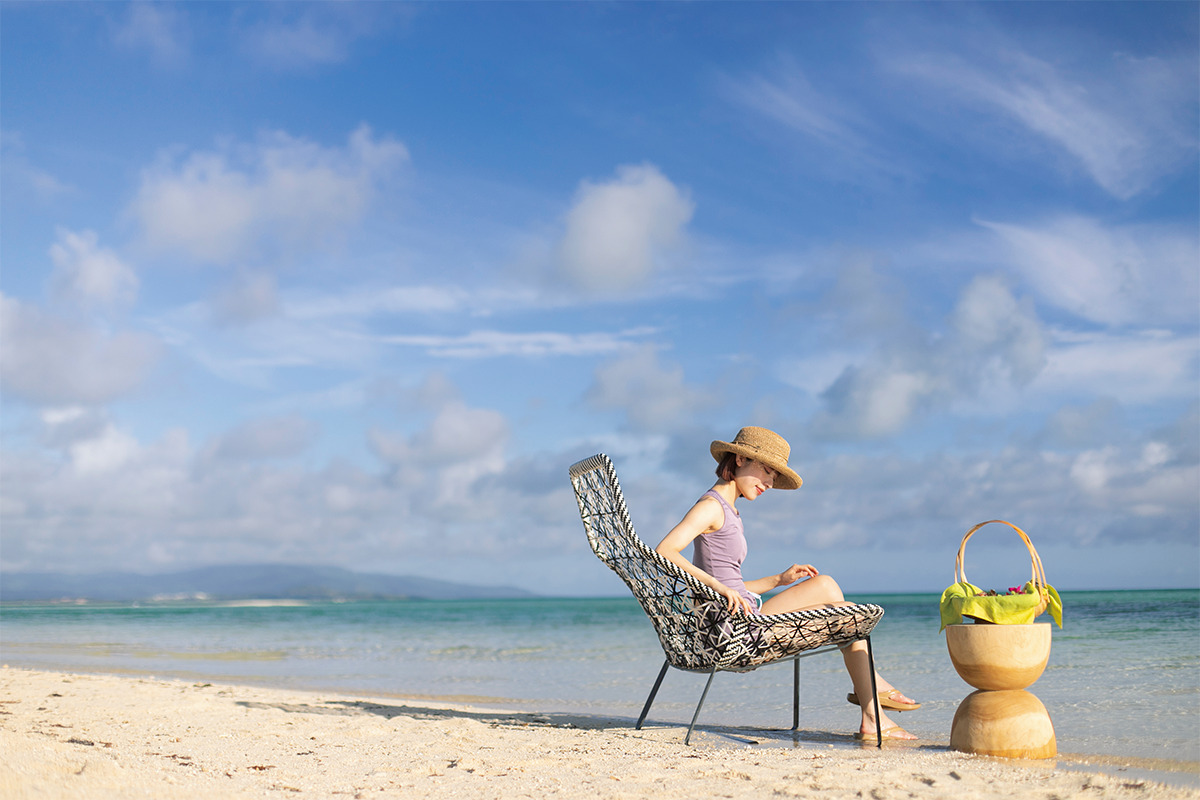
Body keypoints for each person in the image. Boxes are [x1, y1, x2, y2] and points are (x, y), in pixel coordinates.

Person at [654, 426, 920, 741]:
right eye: (766, 472)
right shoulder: (711, 506)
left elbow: (732, 583)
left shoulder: (729, 509)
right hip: (735, 631)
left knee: (826, 585)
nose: (768, 483)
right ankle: (872, 707)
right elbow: (665, 550)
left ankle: (869, 690)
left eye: (774, 478)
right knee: (848, 615)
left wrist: (779, 579)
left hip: (743, 616)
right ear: (739, 459)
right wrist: (718, 588)